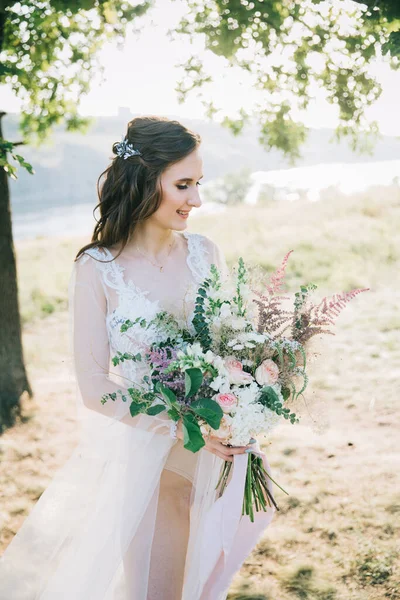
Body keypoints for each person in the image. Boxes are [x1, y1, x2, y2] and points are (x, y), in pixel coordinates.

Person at [0, 116, 275, 600]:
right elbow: (94, 387)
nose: (196, 199)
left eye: (198, 184)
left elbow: (233, 348)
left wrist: (249, 396)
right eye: (183, 184)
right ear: (145, 180)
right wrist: (184, 425)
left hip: (219, 457)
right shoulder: (97, 268)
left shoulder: (205, 253)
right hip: (153, 460)